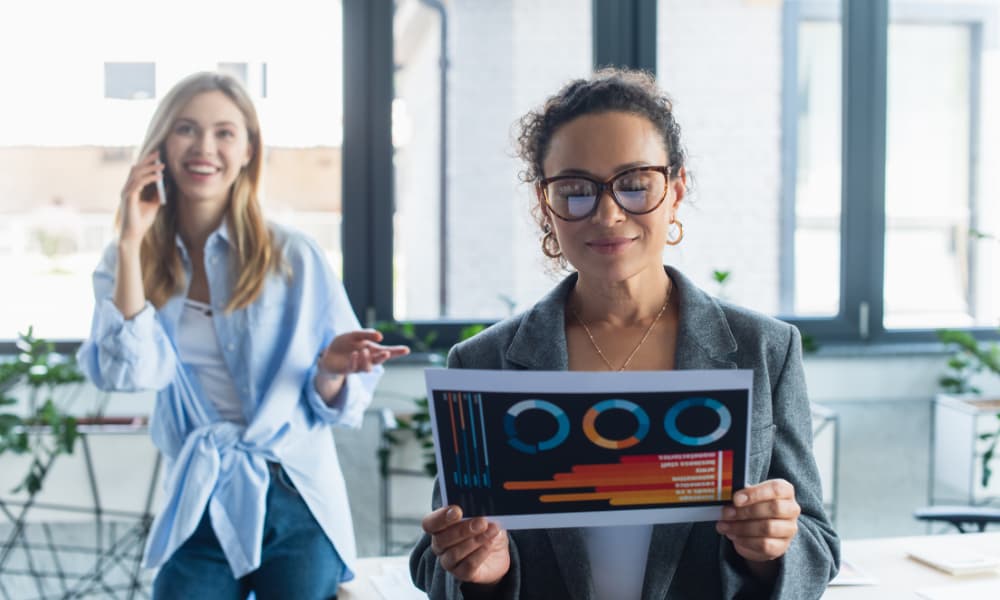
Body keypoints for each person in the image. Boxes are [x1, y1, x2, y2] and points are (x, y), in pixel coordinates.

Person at [410, 68, 839, 599]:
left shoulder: (765, 350)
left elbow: (817, 547)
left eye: (635, 185)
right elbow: (434, 564)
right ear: (546, 205)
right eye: (575, 190)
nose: (608, 214)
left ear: (676, 191)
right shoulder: (484, 363)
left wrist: (772, 549)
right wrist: (482, 570)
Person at [77, 71, 408, 599]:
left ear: (249, 149)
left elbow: (336, 405)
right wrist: (128, 240)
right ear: (161, 144)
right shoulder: (130, 259)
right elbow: (128, 372)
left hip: (296, 491)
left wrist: (330, 370)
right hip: (200, 493)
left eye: (224, 132)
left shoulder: (292, 255)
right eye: (187, 129)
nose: (205, 147)